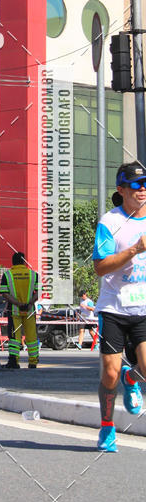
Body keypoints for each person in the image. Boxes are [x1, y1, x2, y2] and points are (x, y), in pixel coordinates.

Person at [93, 162, 146, 453]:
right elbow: (100, 268)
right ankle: (107, 428)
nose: (143, 189)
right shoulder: (110, 222)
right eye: (137, 185)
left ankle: (132, 377)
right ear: (121, 189)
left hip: (143, 310)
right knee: (110, 373)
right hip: (114, 307)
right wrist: (134, 250)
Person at [0, 252, 39, 369]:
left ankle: (14, 362)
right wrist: (30, 302)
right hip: (30, 310)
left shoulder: (8, 275)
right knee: (31, 336)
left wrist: (17, 303)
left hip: (14, 310)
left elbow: (4, 293)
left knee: (15, 337)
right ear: (23, 261)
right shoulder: (33, 275)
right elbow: (39, 292)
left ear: (13, 262)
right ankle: (33, 361)